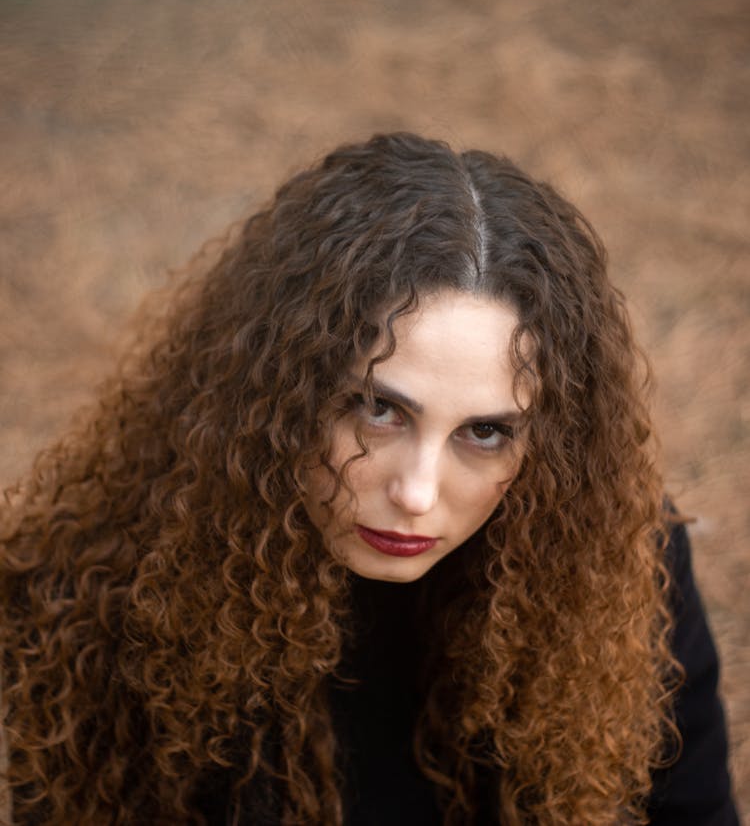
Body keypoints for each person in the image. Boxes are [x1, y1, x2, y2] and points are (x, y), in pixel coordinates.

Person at [0, 132, 739, 826]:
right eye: (379, 409)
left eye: (485, 432)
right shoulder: (106, 586)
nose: (417, 493)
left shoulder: (610, 556)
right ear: (274, 394)